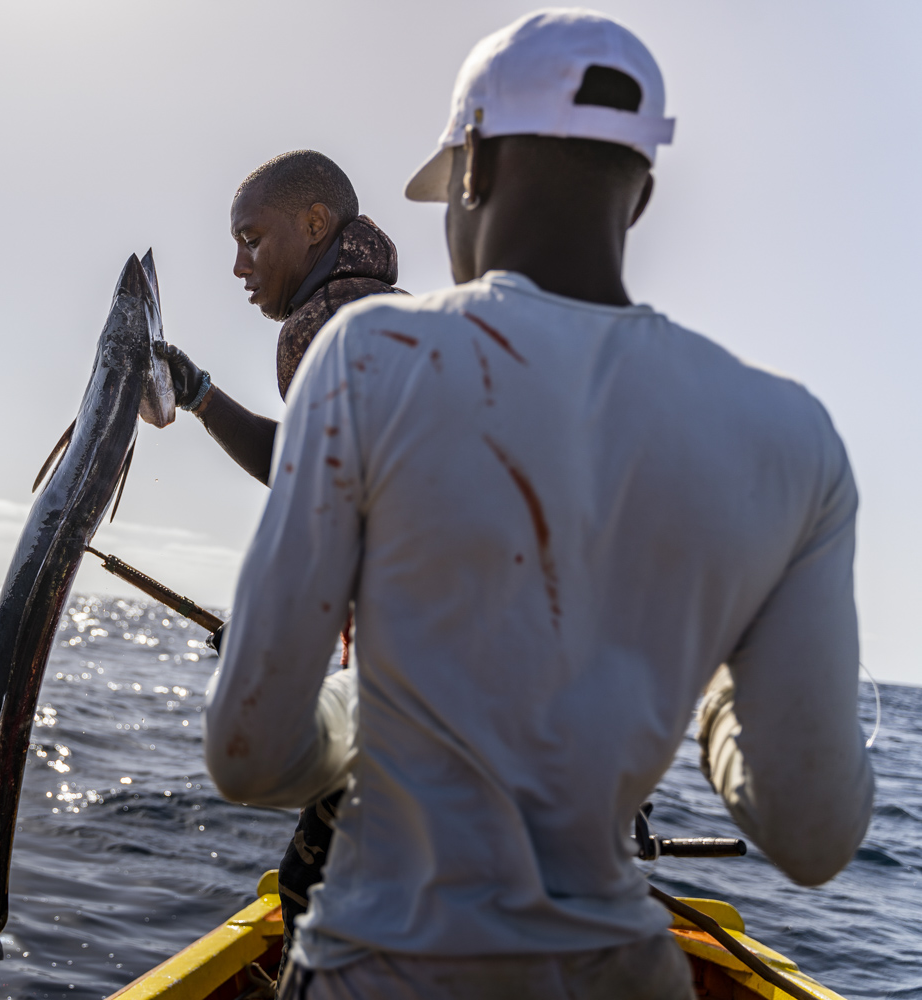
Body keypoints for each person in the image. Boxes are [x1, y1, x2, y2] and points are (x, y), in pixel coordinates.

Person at [202, 10, 875, 1000]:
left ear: (471, 164)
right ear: (639, 196)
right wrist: (721, 693)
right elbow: (813, 835)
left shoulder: (363, 357)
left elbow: (250, 754)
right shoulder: (796, 439)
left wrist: (370, 702)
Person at [157, 150, 405, 958]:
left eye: (252, 240)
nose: (239, 265)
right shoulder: (387, 313)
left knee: (314, 902)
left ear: (313, 225)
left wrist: (276, 654)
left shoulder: (318, 330)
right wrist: (197, 394)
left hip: (417, 706)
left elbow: (321, 508)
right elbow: (307, 465)